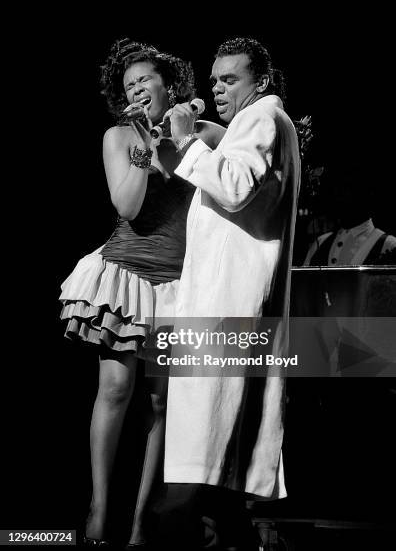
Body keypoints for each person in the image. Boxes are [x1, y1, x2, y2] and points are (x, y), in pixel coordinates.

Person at [150, 38, 301, 550]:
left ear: (260, 81)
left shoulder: (262, 118)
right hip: (225, 312)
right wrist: (196, 142)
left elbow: (234, 186)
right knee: (219, 473)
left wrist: (191, 144)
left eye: (229, 80)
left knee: (195, 470)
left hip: (226, 315)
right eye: (213, 80)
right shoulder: (255, 122)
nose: (216, 89)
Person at [59, 38, 201, 548]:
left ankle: (143, 522)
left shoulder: (199, 132)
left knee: (163, 406)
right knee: (116, 392)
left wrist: (181, 139)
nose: (136, 88)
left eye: (143, 79)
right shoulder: (120, 136)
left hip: (179, 283)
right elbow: (130, 207)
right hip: (126, 275)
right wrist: (144, 144)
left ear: (170, 84)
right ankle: (99, 508)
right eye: (127, 85)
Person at [304, 164, 396, 266]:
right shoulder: (320, 243)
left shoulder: (390, 245)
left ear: (367, 194)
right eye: (338, 188)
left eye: (348, 187)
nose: (340, 195)